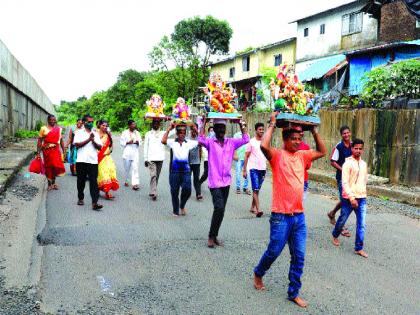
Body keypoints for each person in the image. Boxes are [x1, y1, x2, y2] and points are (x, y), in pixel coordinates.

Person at [253, 112, 326, 308]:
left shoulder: (303, 155)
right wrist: (272, 124)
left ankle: (294, 292)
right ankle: (258, 272)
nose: (296, 142)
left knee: (299, 256)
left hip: (298, 217)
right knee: (274, 251)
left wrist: (314, 131)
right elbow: (263, 146)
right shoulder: (277, 155)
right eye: (293, 138)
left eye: (299, 139)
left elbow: (322, 151)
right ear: (285, 139)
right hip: (280, 217)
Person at [199, 118, 249, 248]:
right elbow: (200, 139)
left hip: (226, 182)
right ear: (214, 129)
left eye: (223, 128)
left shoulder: (231, 142)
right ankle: (211, 236)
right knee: (219, 207)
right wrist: (204, 123)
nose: (221, 130)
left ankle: (214, 236)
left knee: (221, 210)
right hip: (214, 182)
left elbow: (246, 139)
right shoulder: (210, 142)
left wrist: (240, 124)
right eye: (218, 128)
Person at [332, 139, 368, 258]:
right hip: (348, 199)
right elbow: (345, 183)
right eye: (355, 148)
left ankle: (359, 248)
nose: (358, 151)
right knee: (342, 219)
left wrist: (362, 194)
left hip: (362, 198)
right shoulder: (347, 164)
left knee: (361, 224)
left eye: (360, 149)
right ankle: (335, 235)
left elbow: (364, 181)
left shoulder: (364, 164)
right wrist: (352, 198)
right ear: (352, 149)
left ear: (363, 149)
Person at [162, 123, 198, 216]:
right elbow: (163, 140)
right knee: (174, 191)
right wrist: (169, 129)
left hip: (186, 171)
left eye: (184, 132)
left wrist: (195, 129)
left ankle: (182, 205)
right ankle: (175, 210)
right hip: (174, 171)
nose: (182, 134)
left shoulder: (189, 143)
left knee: (188, 190)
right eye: (180, 132)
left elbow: (202, 141)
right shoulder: (172, 142)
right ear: (177, 134)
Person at [73, 114, 103, 211]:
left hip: (93, 161)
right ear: (84, 122)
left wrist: (93, 140)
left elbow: (100, 147)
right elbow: (77, 145)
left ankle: (95, 202)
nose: (90, 123)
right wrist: (88, 139)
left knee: (94, 182)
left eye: (92, 122)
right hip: (81, 161)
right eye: (89, 122)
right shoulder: (79, 133)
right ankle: (80, 198)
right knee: (81, 181)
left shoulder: (95, 133)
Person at [328, 125, 352, 237]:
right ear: (341, 135)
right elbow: (332, 161)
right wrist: (343, 170)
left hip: (351, 178)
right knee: (345, 201)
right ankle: (341, 226)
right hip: (342, 177)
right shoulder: (339, 146)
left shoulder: (353, 145)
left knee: (345, 200)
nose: (346, 135)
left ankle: (332, 213)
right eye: (344, 133)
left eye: (347, 133)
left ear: (350, 133)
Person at [243, 122, 266, 217]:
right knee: (256, 189)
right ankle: (258, 210)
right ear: (256, 130)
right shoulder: (251, 142)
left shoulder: (265, 141)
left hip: (263, 169)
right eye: (260, 129)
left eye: (262, 129)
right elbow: (246, 156)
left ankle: (252, 207)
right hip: (253, 168)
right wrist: (244, 170)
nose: (261, 131)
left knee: (257, 189)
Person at [37, 114, 66, 191]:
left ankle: (54, 182)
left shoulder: (58, 129)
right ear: (48, 120)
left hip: (56, 150)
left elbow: (61, 140)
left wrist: (64, 150)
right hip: (46, 150)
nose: (53, 121)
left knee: (55, 166)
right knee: (48, 166)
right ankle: (49, 184)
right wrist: (38, 152)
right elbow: (40, 141)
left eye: (54, 120)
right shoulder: (43, 129)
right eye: (51, 120)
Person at [143, 119, 166, 200]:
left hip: (160, 158)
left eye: (157, 123)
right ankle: (154, 192)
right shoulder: (148, 134)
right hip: (151, 158)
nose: (156, 124)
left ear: (160, 124)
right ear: (152, 124)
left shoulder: (163, 133)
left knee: (157, 176)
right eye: (154, 123)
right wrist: (145, 158)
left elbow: (173, 131)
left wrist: (172, 122)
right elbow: (145, 146)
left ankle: (152, 189)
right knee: (153, 175)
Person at [97, 120, 119, 200]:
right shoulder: (95, 134)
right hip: (96, 157)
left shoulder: (108, 135)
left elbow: (111, 145)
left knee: (108, 172)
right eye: (103, 125)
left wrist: (109, 151)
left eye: (106, 126)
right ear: (99, 125)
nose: (105, 127)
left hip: (106, 157)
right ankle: (98, 188)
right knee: (99, 174)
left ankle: (107, 192)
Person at [120, 120, 141, 191]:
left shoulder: (137, 133)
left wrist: (138, 142)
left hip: (135, 152)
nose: (134, 126)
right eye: (132, 124)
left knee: (135, 168)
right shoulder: (125, 132)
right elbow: (121, 142)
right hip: (127, 152)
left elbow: (140, 142)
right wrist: (128, 142)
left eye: (134, 124)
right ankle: (126, 180)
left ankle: (135, 184)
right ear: (129, 125)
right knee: (127, 169)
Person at [295, 126, 311, 201]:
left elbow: (308, 165)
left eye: (301, 131)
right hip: (295, 177)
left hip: (302, 177)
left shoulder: (306, 147)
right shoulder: (306, 147)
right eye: (299, 132)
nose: (301, 133)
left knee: (298, 201)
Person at [189, 124, 203, 200]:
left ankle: (198, 194)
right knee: (187, 178)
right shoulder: (187, 138)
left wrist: (200, 160)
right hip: (188, 162)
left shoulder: (198, 138)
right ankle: (186, 191)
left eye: (194, 129)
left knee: (196, 179)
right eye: (192, 129)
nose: (193, 131)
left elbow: (201, 146)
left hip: (196, 162)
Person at [234, 131, 250, 195]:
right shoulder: (236, 135)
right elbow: (234, 145)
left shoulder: (247, 134)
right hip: (239, 157)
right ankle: (238, 187)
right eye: (243, 125)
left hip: (246, 157)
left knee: (247, 172)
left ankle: (245, 188)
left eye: (245, 125)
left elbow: (249, 145)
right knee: (238, 172)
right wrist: (235, 155)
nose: (244, 127)